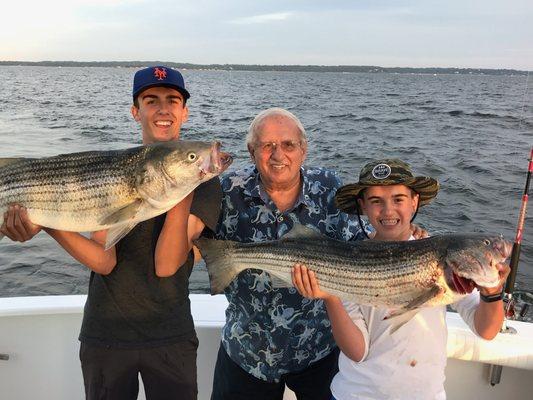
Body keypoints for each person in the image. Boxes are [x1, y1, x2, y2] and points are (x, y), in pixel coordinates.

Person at [0, 66, 222, 400]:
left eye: (173, 100)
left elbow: (166, 264)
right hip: (105, 333)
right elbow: (103, 262)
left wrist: (184, 186)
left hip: (171, 334)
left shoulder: (203, 184)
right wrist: (45, 221)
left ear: (184, 111)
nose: (163, 109)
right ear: (136, 112)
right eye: (151, 100)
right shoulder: (112, 170)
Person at [292, 158, 510, 400]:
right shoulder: (347, 261)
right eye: (376, 201)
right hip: (356, 395)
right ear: (362, 206)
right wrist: (329, 295)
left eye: (398, 199)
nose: (388, 211)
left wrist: (492, 290)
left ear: (414, 201)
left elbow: (486, 331)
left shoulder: (446, 262)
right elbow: (357, 351)